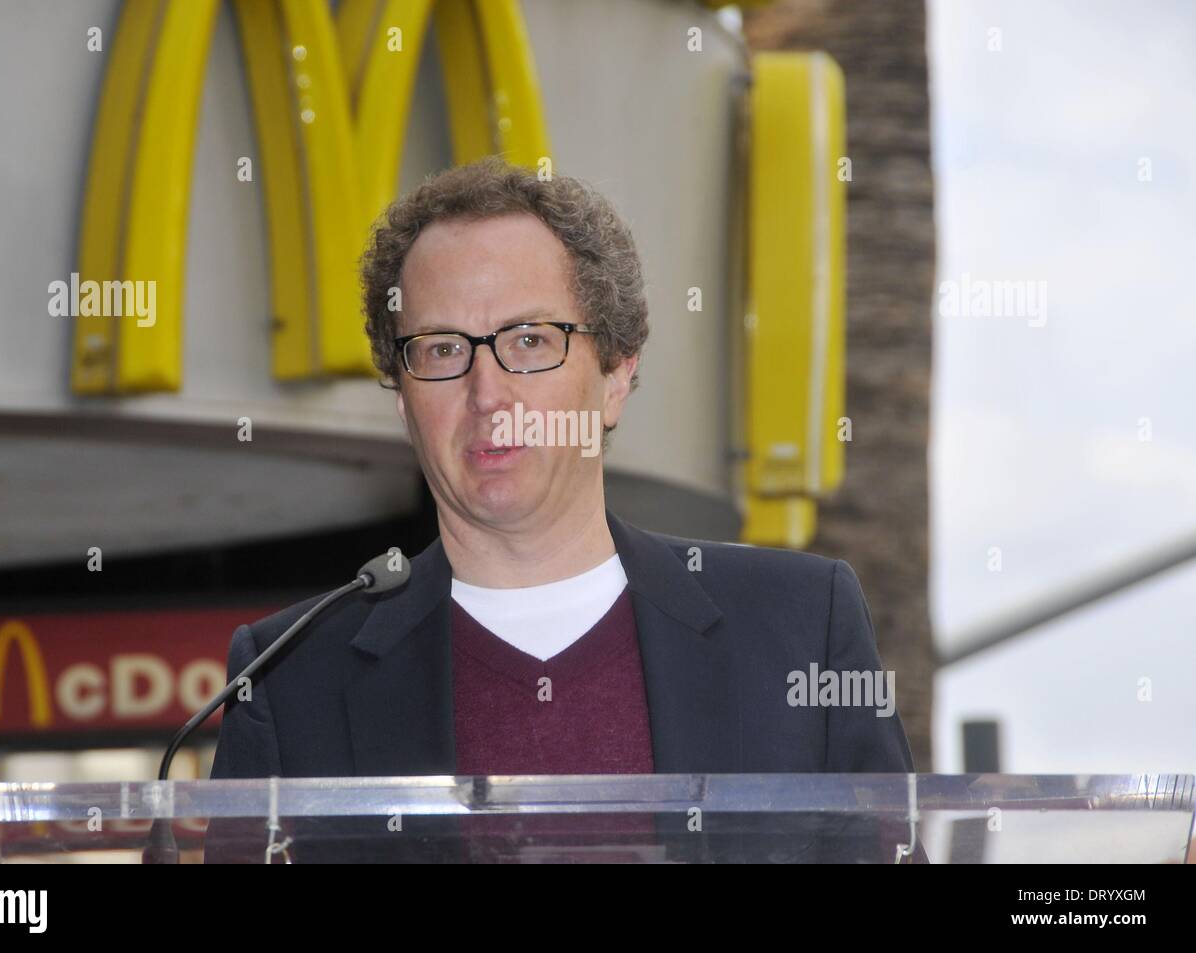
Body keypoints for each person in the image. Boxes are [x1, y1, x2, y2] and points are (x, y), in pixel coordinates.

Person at [210, 156, 915, 785]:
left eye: (528, 340)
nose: (488, 394)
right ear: (401, 398)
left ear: (614, 376)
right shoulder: (286, 677)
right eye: (442, 349)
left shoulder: (798, 627)